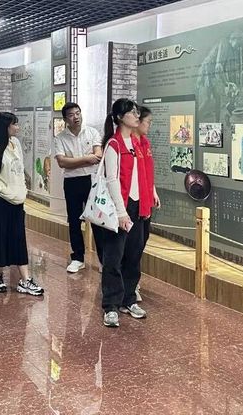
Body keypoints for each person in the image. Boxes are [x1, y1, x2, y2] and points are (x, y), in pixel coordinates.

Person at [97, 98, 151, 328]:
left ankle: (129, 299)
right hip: (120, 207)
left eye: (137, 112)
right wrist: (121, 212)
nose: (136, 115)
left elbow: (143, 175)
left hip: (138, 206)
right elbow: (111, 180)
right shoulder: (114, 144)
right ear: (120, 117)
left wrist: (146, 202)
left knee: (134, 254)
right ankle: (111, 305)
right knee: (114, 257)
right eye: (131, 112)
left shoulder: (137, 143)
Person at [0, 112, 44, 297]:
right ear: (5, 127)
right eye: (14, 124)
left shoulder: (16, 143)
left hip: (17, 201)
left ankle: (25, 279)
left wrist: (21, 192)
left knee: (18, 238)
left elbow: (19, 171)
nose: (18, 127)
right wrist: (8, 193)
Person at [53, 102, 102, 273]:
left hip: (92, 180)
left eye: (78, 113)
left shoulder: (92, 132)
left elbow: (98, 155)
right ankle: (78, 258)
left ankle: (103, 259)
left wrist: (75, 161)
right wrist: (87, 159)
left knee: (97, 220)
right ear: (65, 119)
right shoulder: (60, 138)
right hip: (72, 181)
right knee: (74, 221)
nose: (76, 117)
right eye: (71, 115)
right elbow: (62, 162)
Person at [134, 106, 161, 302]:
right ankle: (130, 285)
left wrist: (153, 190)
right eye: (148, 121)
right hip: (134, 203)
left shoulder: (145, 142)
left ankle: (132, 282)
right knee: (133, 246)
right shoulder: (128, 144)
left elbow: (147, 171)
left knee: (142, 241)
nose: (149, 125)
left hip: (146, 201)